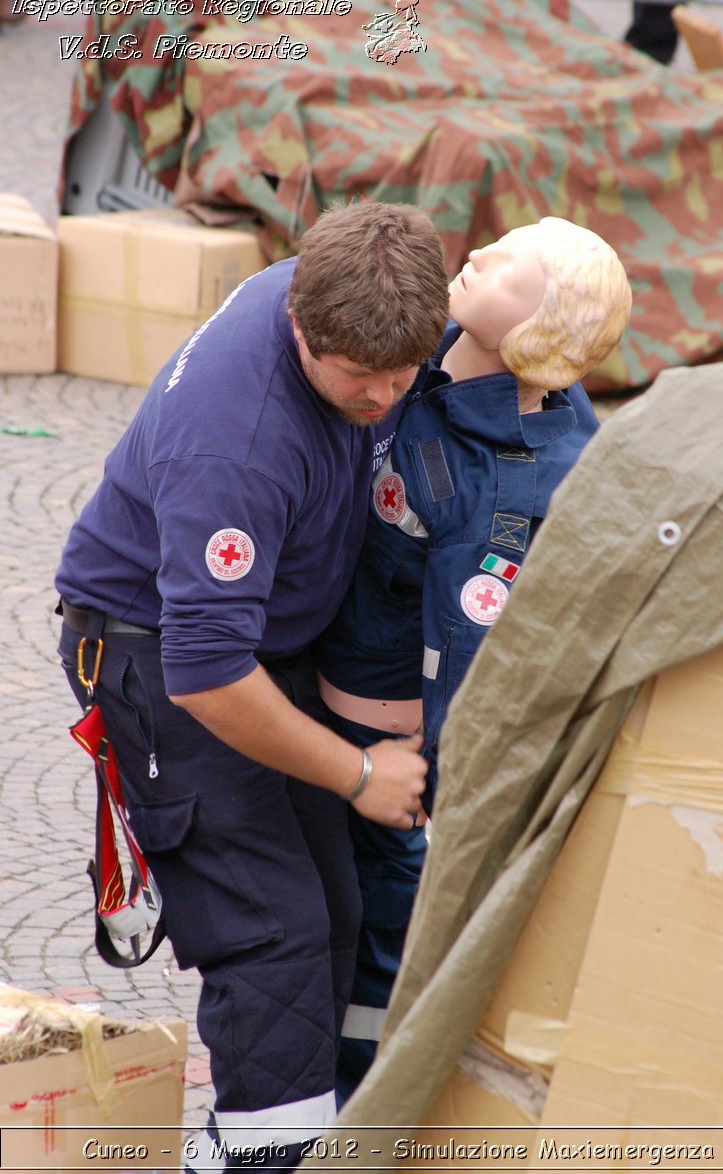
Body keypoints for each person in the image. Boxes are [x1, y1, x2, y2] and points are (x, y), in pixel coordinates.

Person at [54, 200, 450, 1172]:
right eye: (362, 381)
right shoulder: (236, 445)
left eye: (404, 376)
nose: (386, 398)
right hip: (160, 658)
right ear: (302, 331)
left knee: (337, 906)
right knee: (267, 928)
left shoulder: (358, 291)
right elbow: (208, 676)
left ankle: (299, 1138)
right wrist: (358, 773)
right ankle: (258, 1161)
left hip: (256, 642)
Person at [315, 217, 633, 1099]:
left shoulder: (509, 480)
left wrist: (429, 795)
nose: (480, 253)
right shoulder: (438, 348)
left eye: (507, 269)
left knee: (374, 943)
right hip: (323, 694)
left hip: (387, 749)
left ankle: (361, 1111)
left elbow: (468, 642)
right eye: (499, 244)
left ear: (534, 332)